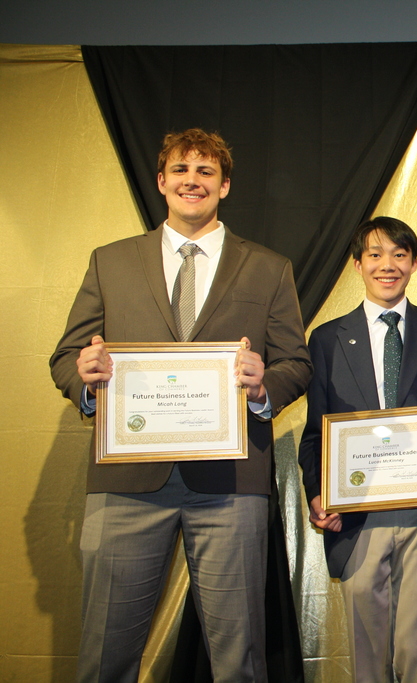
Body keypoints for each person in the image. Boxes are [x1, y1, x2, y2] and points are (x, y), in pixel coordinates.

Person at [49, 128, 312, 682]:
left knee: (239, 658)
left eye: (206, 171)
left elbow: (296, 363)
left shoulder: (268, 267)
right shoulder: (110, 261)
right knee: (105, 655)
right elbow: (66, 356)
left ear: (225, 186)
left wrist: (264, 386)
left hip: (231, 483)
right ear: (161, 181)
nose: (193, 180)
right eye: (181, 170)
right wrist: (86, 378)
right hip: (126, 479)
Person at [297, 216, 417, 682]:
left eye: (399, 254)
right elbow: (315, 434)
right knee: (367, 658)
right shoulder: (327, 339)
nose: (387, 265)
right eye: (375, 254)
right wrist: (318, 493)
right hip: (358, 513)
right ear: (358, 264)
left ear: (413, 263)